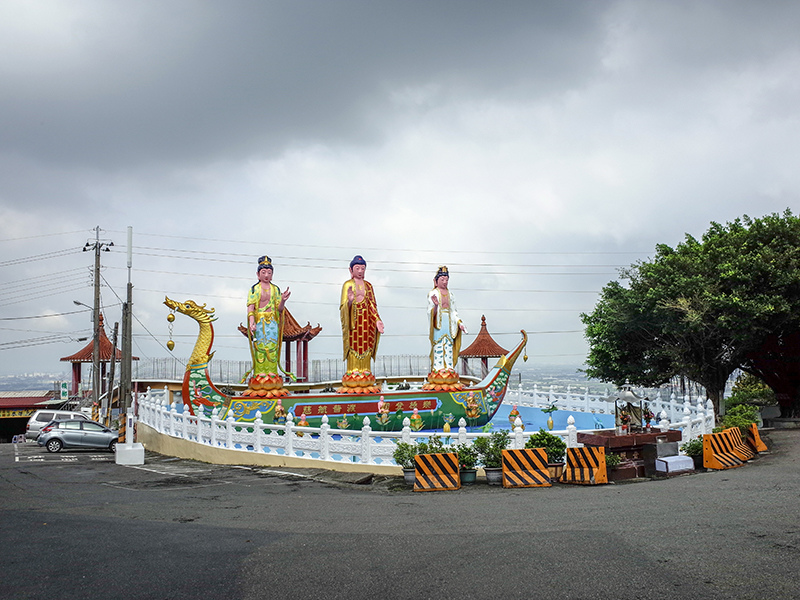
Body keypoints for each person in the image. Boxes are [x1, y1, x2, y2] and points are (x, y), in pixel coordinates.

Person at [247, 256, 291, 377]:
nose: (266, 275)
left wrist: (283, 300)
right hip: (259, 320)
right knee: (260, 346)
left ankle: (272, 372)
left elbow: (280, 309)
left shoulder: (275, 289)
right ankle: (260, 372)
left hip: (272, 321)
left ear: (272, 275)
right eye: (263, 272)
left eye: (269, 273)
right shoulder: (254, 289)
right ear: (258, 274)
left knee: (272, 346)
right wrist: (252, 323)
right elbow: (251, 308)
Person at [340, 255, 384, 374]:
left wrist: (377, 320)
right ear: (351, 270)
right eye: (357, 268)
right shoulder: (347, 285)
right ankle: (352, 370)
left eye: (363, 268)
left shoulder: (368, 286)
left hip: (366, 321)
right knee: (354, 344)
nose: (360, 271)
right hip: (353, 321)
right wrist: (349, 301)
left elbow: (372, 305)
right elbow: (342, 307)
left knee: (366, 345)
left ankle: (366, 370)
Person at [427, 266, 467, 372]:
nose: (445, 282)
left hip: (449, 322)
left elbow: (454, 311)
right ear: (436, 281)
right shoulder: (433, 293)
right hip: (438, 322)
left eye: (447, 280)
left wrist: (459, 323)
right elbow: (430, 311)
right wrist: (435, 306)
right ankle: (438, 367)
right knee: (439, 345)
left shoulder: (451, 295)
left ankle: (449, 366)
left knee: (448, 344)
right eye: (442, 280)